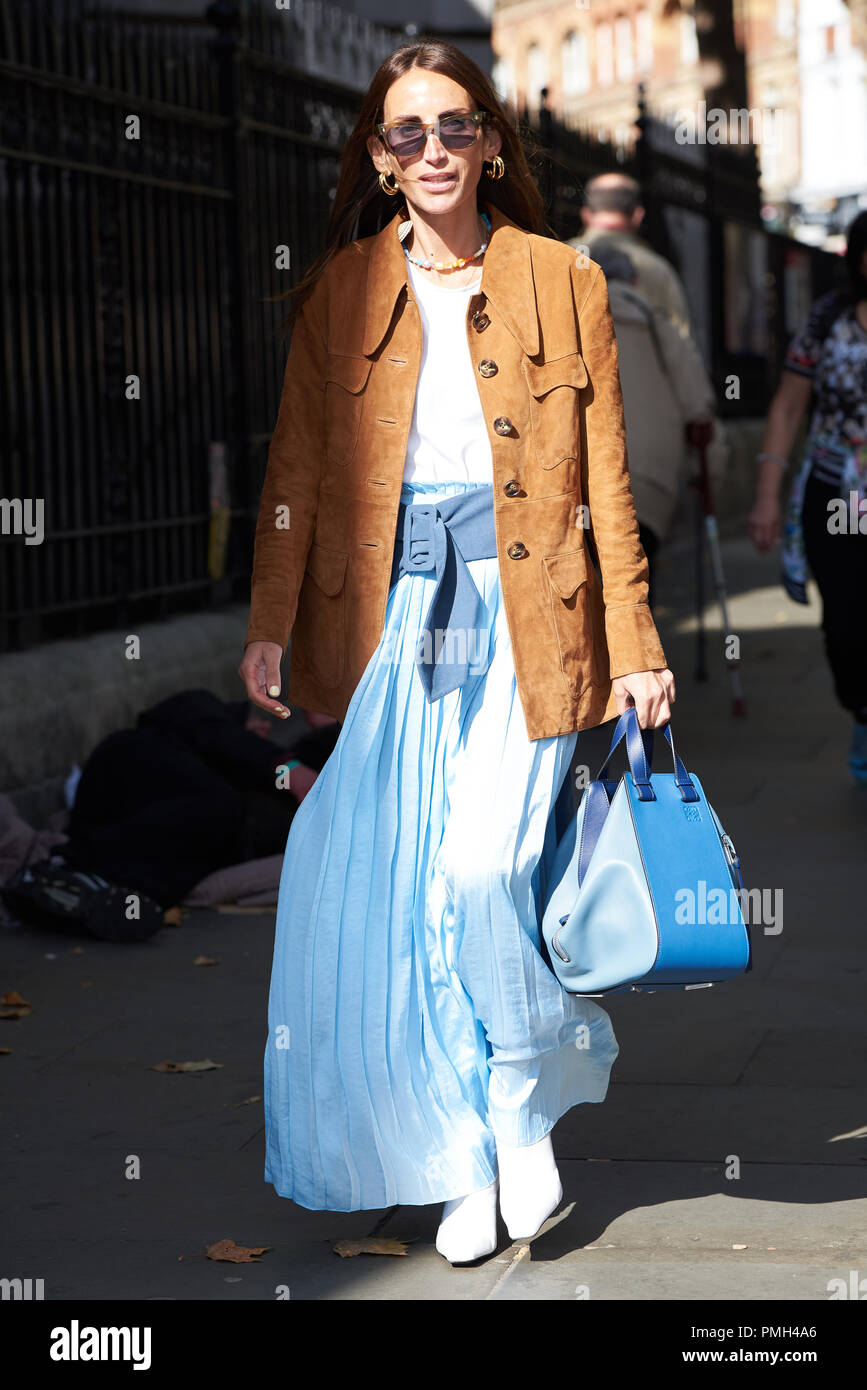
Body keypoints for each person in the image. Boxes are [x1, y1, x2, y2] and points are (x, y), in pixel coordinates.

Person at [239, 39, 675, 1266]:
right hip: (395, 629)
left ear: (490, 140)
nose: (429, 151)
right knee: (403, 897)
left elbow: (604, 479)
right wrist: (270, 621)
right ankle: (455, 1152)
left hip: (531, 618)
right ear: (378, 162)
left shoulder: (562, 277)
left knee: (484, 872)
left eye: (450, 127)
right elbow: (295, 475)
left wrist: (635, 643)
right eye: (403, 134)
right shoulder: (340, 293)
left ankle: (519, 1087)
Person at [747, 211, 867, 785]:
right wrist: (767, 497)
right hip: (840, 494)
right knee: (845, 621)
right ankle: (862, 709)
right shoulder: (827, 322)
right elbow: (789, 408)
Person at [589, 245, 722, 609]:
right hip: (647, 476)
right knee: (636, 581)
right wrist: (707, 468)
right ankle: (638, 654)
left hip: (580, 474)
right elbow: (697, 401)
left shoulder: (565, 310)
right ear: (632, 279)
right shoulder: (653, 315)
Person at [570, 172, 692, 338]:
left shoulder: (558, 259)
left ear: (585, 214)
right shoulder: (659, 270)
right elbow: (680, 339)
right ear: (638, 216)